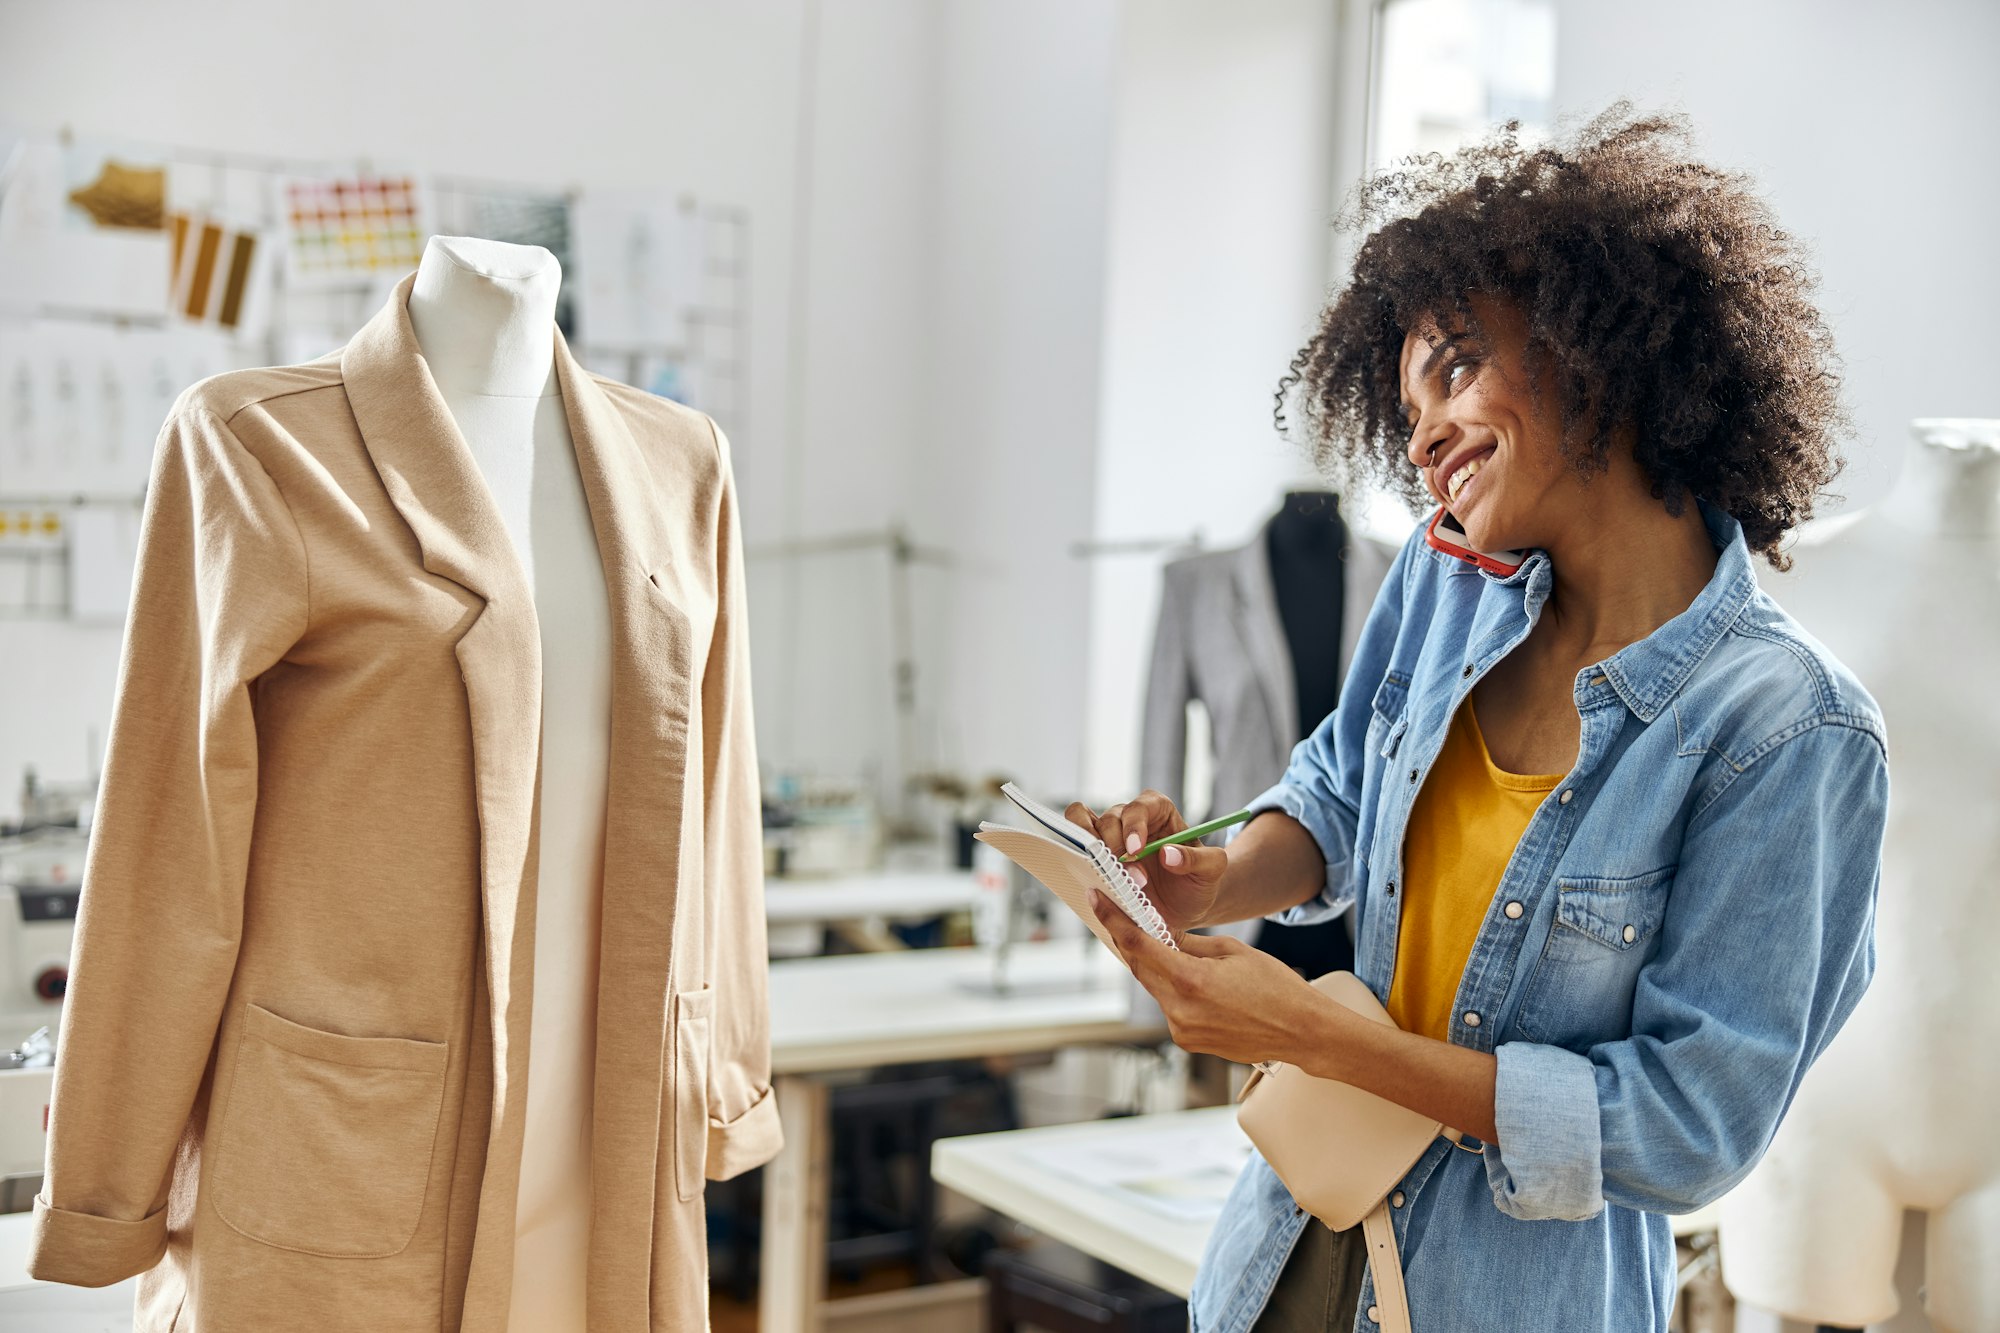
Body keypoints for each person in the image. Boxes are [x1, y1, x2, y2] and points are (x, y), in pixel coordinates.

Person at [1071, 106, 1889, 1332]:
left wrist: (1318, 1034)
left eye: (1455, 366)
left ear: (1596, 347)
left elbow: (1684, 1126)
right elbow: (1339, 792)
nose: (1425, 435)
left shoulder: (1788, 730)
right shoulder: (1444, 583)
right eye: (1407, 409)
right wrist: (1216, 876)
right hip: (1284, 1256)